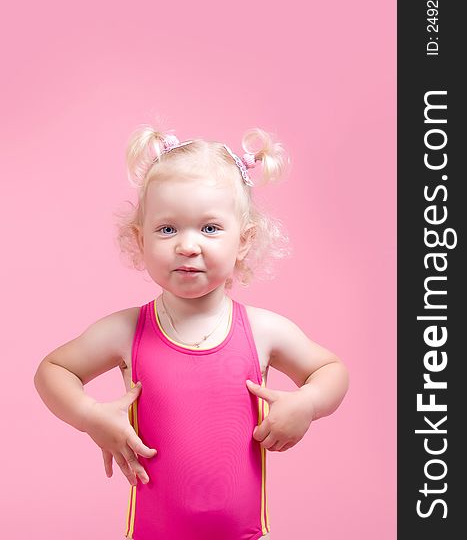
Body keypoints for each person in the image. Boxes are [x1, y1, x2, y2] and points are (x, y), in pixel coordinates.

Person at [34, 124, 349, 540]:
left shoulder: (263, 330)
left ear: (243, 240)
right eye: (167, 229)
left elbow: (330, 369)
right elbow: (53, 369)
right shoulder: (126, 330)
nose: (187, 245)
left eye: (210, 228)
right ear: (139, 238)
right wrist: (90, 415)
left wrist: (307, 403)